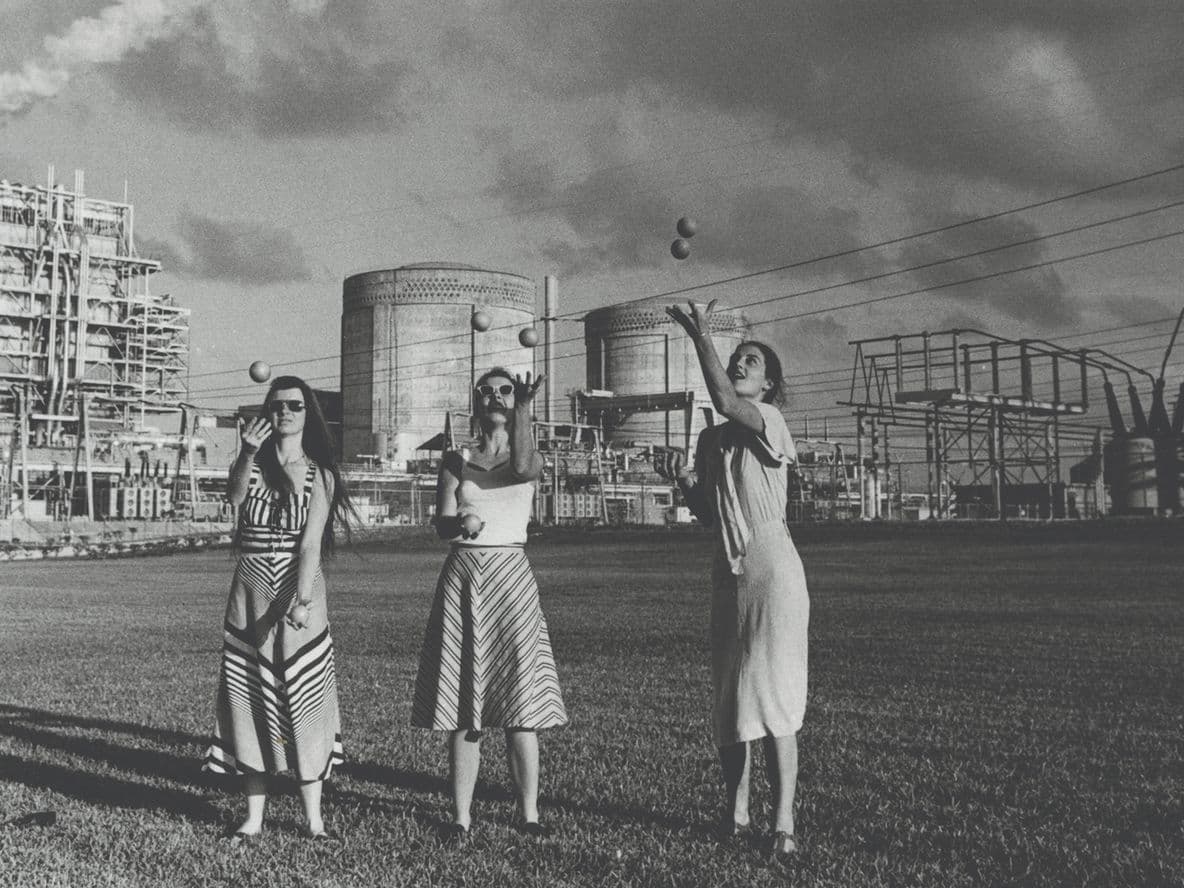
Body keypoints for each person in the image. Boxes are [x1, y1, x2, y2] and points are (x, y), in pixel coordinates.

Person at [656, 301, 809, 861]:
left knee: (774, 697)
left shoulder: (769, 420)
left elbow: (722, 397)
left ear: (769, 383)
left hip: (772, 568)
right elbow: (710, 512)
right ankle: (736, 812)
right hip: (729, 570)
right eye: (737, 358)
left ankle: (784, 822)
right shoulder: (712, 441)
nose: (741, 365)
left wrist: (700, 336)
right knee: (730, 699)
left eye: (751, 361)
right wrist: (683, 485)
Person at [412, 367, 567, 841]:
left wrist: (523, 407)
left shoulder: (531, 455)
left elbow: (520, 468)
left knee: (522, 702)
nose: (495, 397)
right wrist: (460, 520)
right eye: (488, 392)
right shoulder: (457, 459)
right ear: (475, 402)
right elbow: (439, 524)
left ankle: (529, 814)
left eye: (505, 390)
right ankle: (461, 817)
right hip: (464, 575)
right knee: (465, 704)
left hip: (510, 574)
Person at [203, 375, 354, 842]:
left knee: (305, 701)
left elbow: (310, 544)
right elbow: (233, 498)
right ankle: (253, 818)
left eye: (294, 405)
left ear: (308, 414)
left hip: (297, 593)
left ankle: (314, 820)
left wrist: (303, 600)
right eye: (277, 405)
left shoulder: (320, 474)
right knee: (248, 700)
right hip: (248, 593)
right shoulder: (252, 462)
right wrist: (247, 453)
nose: (285, 412)